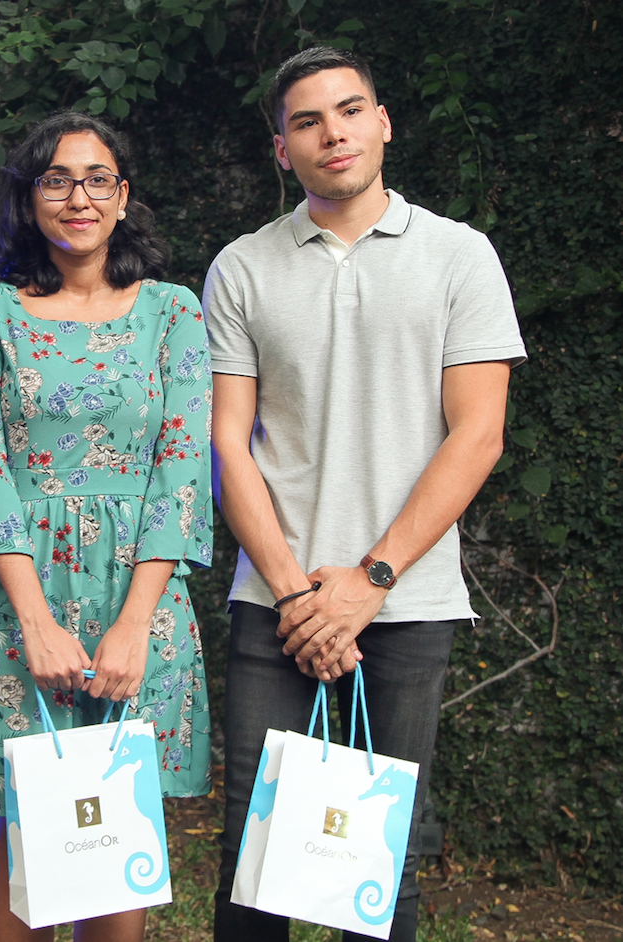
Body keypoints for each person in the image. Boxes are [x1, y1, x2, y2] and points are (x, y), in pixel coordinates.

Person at [204, 46, 526, 942]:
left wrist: (369, 580)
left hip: (409, 601)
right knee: (255, 864)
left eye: (349, 111)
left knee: (384, 865)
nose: (332, 133)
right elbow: (227, 439)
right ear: (282, 148)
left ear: (383, 121)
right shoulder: (241, 266)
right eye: (307, 120)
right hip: (276, 603)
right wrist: (299, 593)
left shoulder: (462, 256)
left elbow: (479, 434)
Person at [0, 111, 214, 942]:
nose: (78, 196)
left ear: (123, 197)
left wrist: (135, 626)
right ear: (29, 202)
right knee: (27, 839)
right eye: (56, 179)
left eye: (98, 179)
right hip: (18, 599)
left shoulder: (172, 312)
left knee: (115, 836)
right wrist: (36, 623)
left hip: (140, 597)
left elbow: (182, 469)